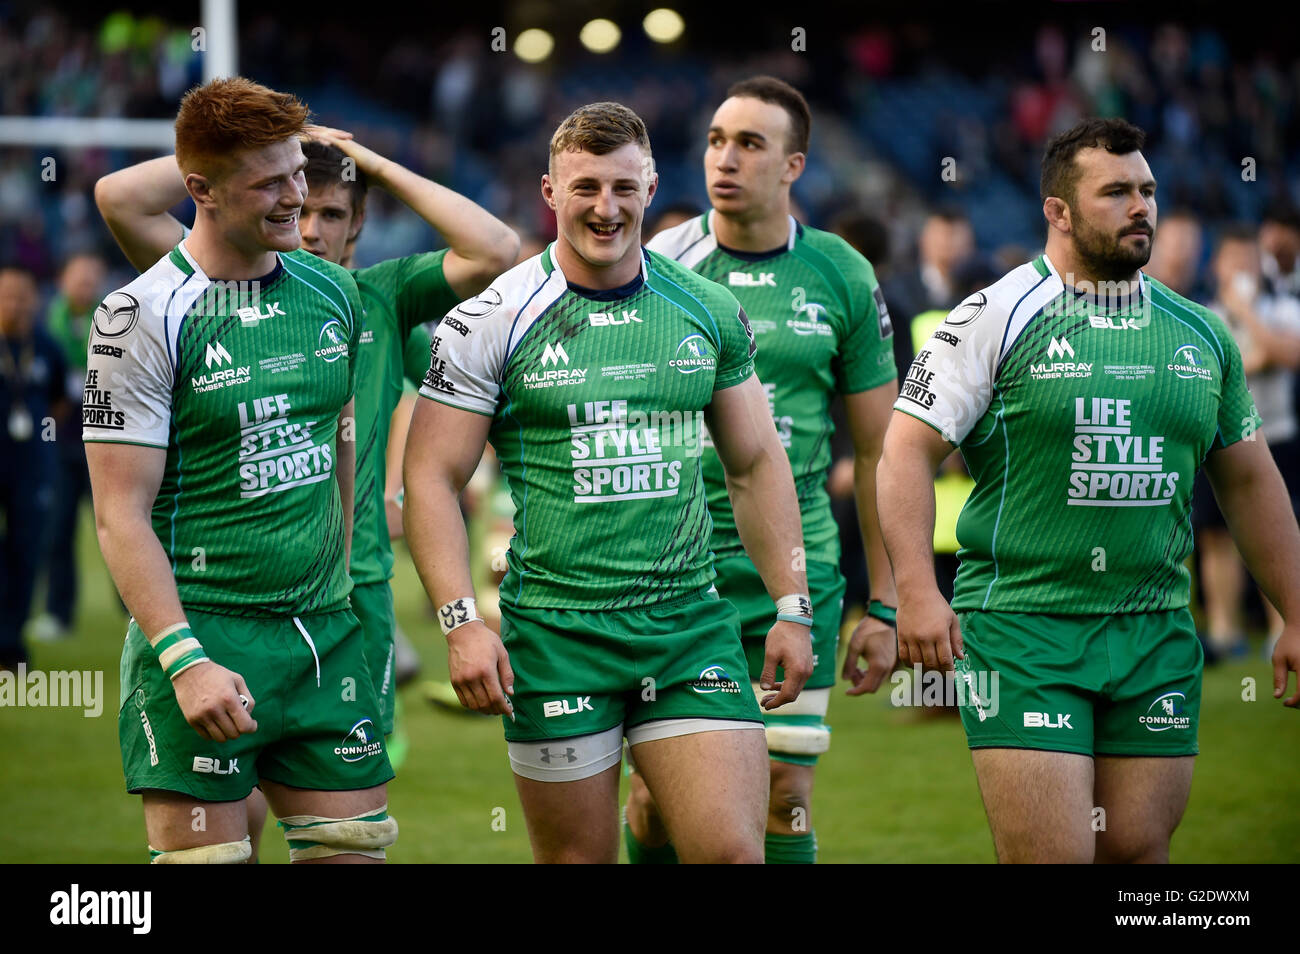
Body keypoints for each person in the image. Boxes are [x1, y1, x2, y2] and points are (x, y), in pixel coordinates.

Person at [877, 117, 1300, 864]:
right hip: (1022, 630)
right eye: (1116, 193)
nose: (1141, 206)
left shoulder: (1200, 333)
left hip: (1156, 631)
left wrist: (1296, 613)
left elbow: (1250, 478)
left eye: (1147, 190)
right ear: (1058, 211)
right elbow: (904, 453)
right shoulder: (992, 317)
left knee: (1137, 851)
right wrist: (916, 591)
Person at [402, 101, 813, 864]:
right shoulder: (489, 320)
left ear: (652, 186)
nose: (606, 207)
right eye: (586, 187)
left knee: (733, 852)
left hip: (688, 628)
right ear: (550, 192)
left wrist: (792, 603)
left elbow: (755, 463)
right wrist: (461, 623)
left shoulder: (708, 308)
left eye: (624, 187)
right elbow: (431, 476)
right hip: (557, 638)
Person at [94, 126, 518, 760]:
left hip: (355, 584)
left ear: (359, 224)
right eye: (293, 197)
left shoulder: (376, 297)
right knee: (237, 800)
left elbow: (495, 248)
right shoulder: (206, 283)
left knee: (346, 810)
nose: (310, 225)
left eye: (331, 212)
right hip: (226, 588)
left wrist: (371, 160)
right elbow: (119, 197)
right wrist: (270, 144)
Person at [84, 77, 395, 864]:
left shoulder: (333, 289)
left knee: (357, 848)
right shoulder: (138, 319)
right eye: (270, 182)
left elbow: (341, 442)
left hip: (326, 633)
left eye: (299, 171)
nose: (299, 198)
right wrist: (184, 662)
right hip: (207, 632)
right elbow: (120, 515)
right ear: (199, 190)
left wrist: (340, 582)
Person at [629, 76, 899, 864]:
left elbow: (882, 448)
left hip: (795, 564)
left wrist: (888, 602)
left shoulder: (842, 274)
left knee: (785, 793)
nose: (726, 158)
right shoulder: (658, 266)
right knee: (655, 803)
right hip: (673, 573)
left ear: (794, 166)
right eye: (716, 139)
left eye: (750, 144)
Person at [1192, 227, 1300, 657]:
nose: (1241, 267)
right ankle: (1224, 630)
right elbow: (1226, 369)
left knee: (1278, 527)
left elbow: (1288, 354)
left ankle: (1283, 625)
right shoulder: (1201, 315)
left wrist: (1248, 314)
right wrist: (1258, 354)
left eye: (1248, 259)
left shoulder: (1284, 309)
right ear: (1216, 266)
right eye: (1232, 258)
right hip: (1218, 442)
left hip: (1277, 437)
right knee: (1217, 538)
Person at [32, 253, 107, 642]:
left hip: (106, 441)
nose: (85, 286)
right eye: (78, 278)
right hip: (60, 445)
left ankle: (136, 611)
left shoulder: (114, 321)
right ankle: (58, 613)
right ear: (62, 281)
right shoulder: (45, 326)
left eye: (91, 279)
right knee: (58, 530)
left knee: (121, 525)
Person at [0, 265, 67, 670]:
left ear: (36, 299)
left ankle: (11, 644)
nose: (16, 303)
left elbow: (58, 404)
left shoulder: (46, 347)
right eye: (7, 294)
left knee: (26, 553)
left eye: (23, 295)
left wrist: (42, 443)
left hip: (32, 469)